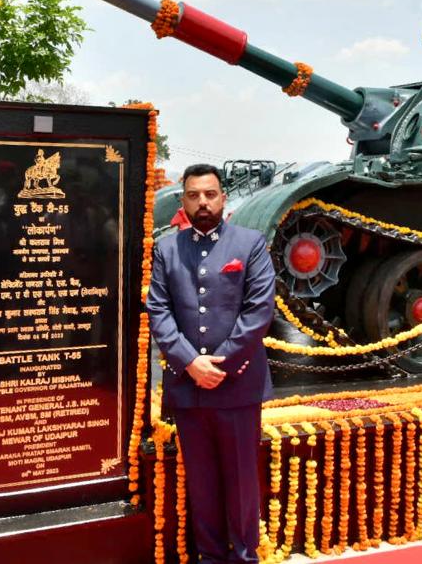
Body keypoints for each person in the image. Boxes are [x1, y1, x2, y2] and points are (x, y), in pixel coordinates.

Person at [146, 164, 276, 564]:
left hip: (237, 385)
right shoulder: (167, 248)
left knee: (240, 483)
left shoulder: (250, 244)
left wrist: (219, 364)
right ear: (183, 200)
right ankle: (210, 556)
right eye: (194, 195)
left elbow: (259, 311)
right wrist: (190, 363)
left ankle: (242, 557)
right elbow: (159, 310)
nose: (203, 202)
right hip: (188, 388)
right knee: (200, 482)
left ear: (223, 197)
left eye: (210, 194)